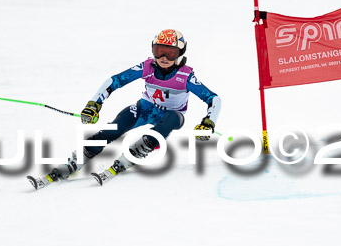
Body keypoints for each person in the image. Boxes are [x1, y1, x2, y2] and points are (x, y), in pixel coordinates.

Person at [28, 29, 221, 188]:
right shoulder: (147, 67)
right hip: (144, 108)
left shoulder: (185, 76)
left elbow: (213, 99)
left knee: (168, 122)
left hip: (173, 114)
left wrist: (208, 122)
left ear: (180, 54)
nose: (163, 57)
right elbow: (114, 81)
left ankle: (137, 151)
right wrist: (94, 104)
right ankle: (76, 161)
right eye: (159, 51)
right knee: (115, 128)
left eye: (170, 53)